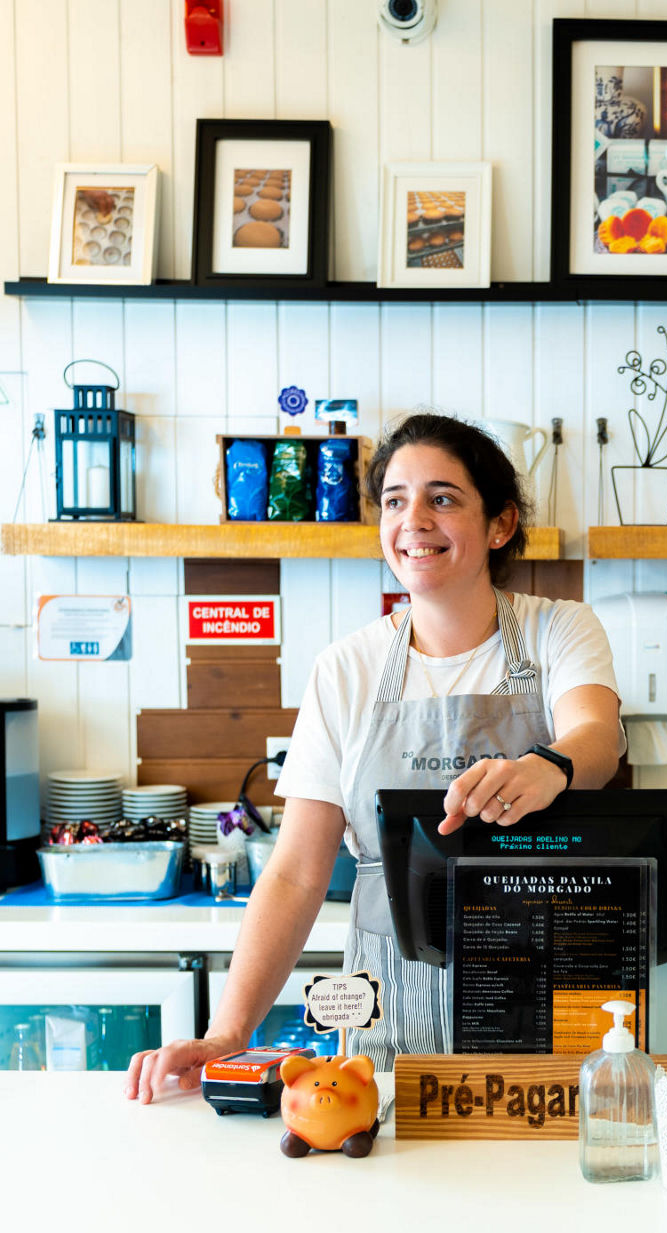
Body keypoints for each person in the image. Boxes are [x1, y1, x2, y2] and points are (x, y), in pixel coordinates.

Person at [125, 413, 624, 1102]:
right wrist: (226, 1034)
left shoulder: (558, 629)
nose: (412, 520)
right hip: (392, 1011)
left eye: (442, 498)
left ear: (500, 524)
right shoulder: (346, 669)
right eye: (394, 500)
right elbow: (297, 872)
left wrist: (549, 766)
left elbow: (598, 736)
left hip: (544, 991)